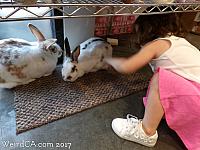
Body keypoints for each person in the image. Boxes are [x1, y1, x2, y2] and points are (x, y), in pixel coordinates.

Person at [105, 13, 200, 149]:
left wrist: (107, 59)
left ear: (146, 31)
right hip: (195, 98)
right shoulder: (180, 42)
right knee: (163, 80)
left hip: (197, 102)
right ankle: (162, 113)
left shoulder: (157, 44)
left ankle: (146, 131)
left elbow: (127, 66)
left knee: (160, 79)